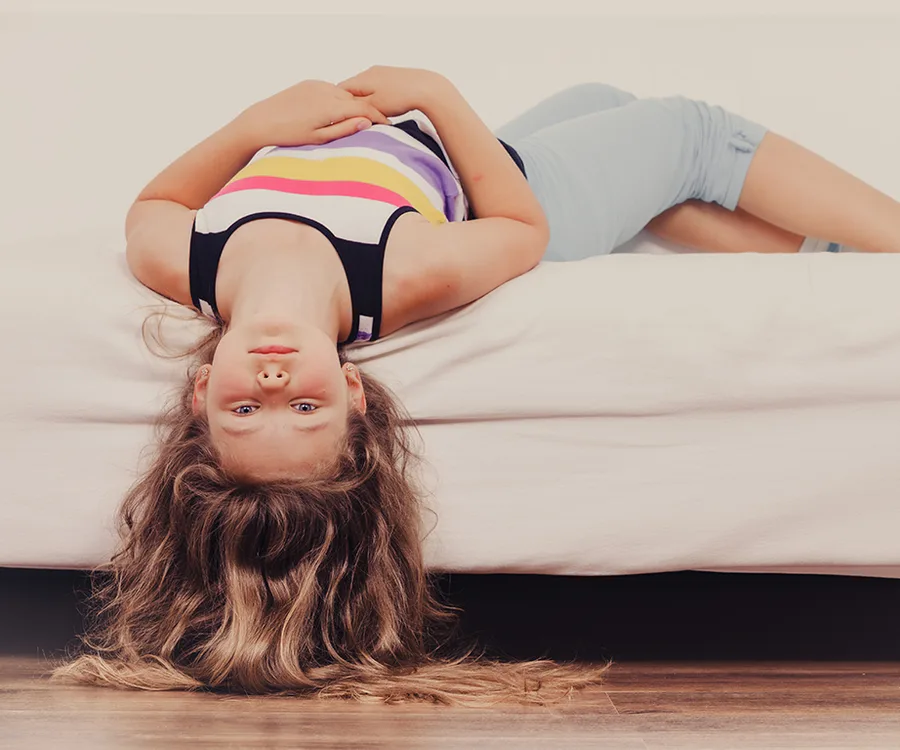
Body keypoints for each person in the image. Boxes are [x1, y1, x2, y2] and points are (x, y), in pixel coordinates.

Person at [47, 67, 900, 704]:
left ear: (201, 391)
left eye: (247, 406)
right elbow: (521, 227)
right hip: (468, 176)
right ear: (356, 391)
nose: (272, 378)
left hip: (420, 157)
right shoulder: (395, 273)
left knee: (597, 105)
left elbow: (156, 198)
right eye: (303, 408)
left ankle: (837, 270)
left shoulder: (182, 258)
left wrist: (256, 127)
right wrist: (442, 100)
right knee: (692, 135)